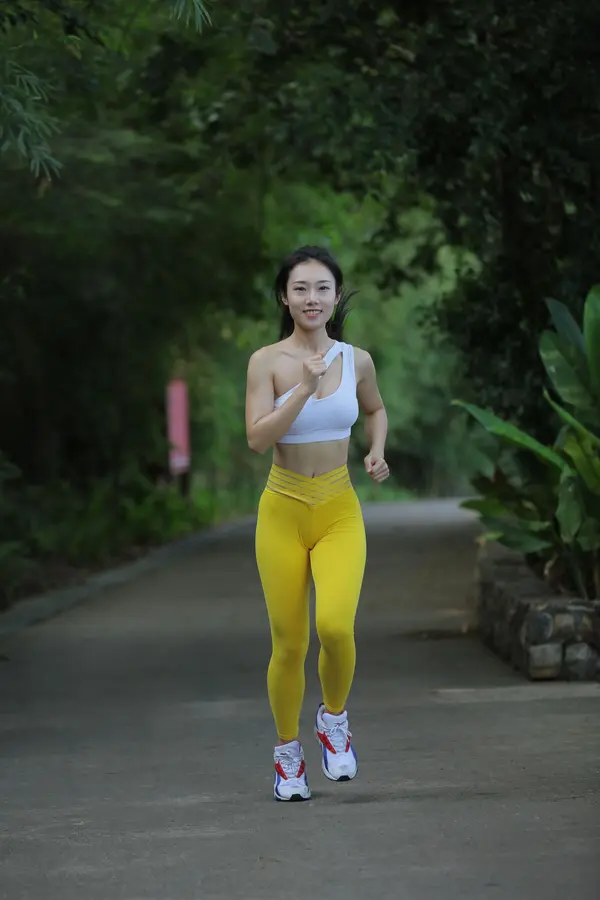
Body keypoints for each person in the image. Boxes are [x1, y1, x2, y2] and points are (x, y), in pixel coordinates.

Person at [245, 245, 389, 802]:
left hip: (338, 509)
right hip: (282, 509)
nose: (312, 298)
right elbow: (257, 438)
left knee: (335, 627)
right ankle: (288, 757)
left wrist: (376, 449)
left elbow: (375, 409)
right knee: (289, 643)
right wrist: (303, 387)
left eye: (322, 288)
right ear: (285, 297)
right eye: (300, 288)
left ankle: (333, 720)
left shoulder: (358, 360)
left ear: (335, 296)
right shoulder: (266, 362)